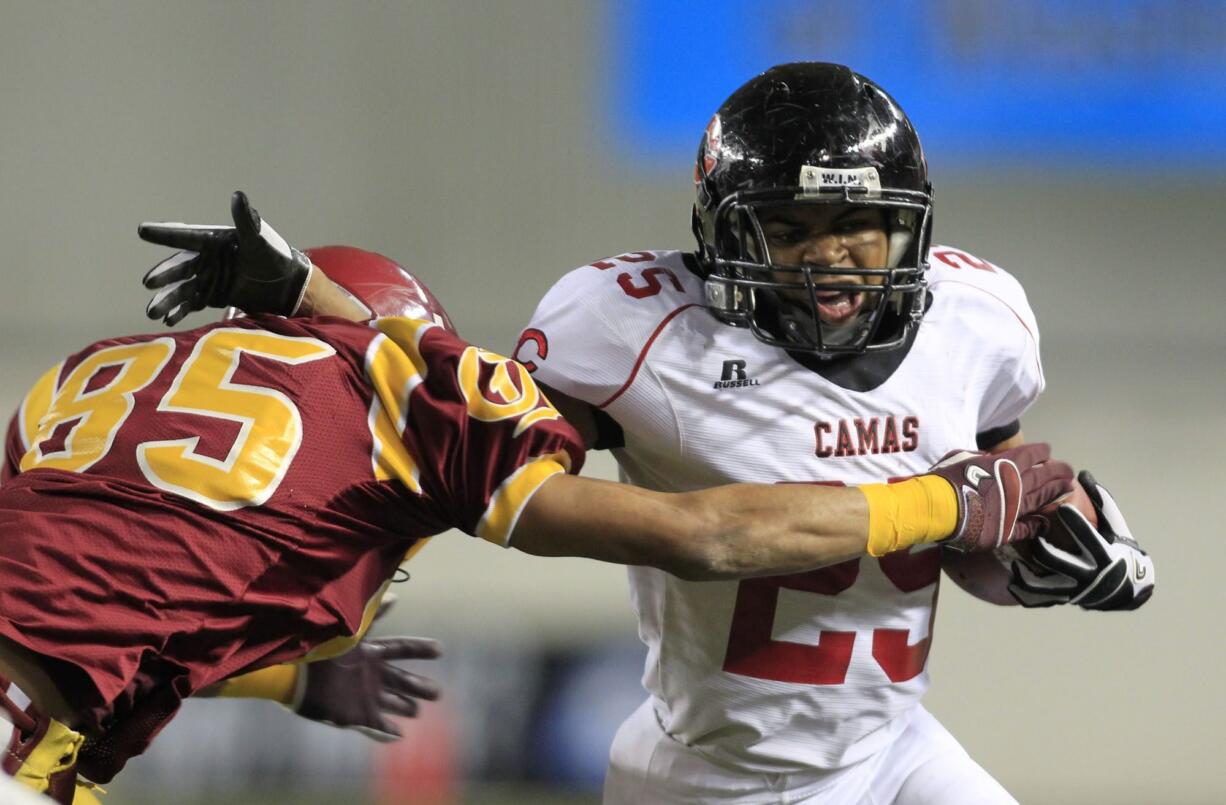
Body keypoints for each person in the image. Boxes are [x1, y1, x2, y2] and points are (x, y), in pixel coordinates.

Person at [0, 195, 1072, 803]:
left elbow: (100, 593)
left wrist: (278, 682)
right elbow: (700, 534)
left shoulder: (92, 375)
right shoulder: (409, 393)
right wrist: (946, 503)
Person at [507, 63, 1156, 804]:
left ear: (906, 227)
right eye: (788, 229)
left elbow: (988, 484)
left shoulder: (975, 318)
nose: (826, 256)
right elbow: (511, 490)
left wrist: (1059, 535)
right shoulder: (641, 332)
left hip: (892, 747)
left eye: (855, 223)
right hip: (716, 776)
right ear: (724, 231)